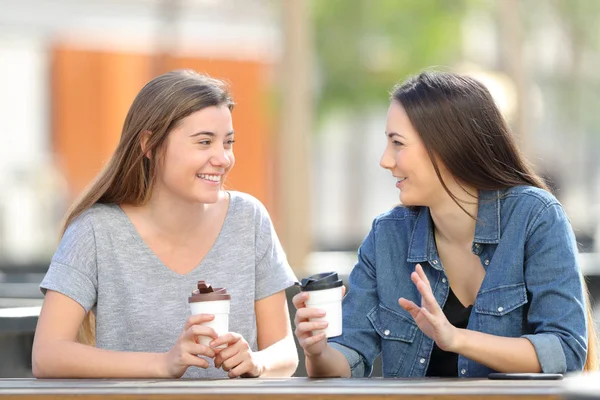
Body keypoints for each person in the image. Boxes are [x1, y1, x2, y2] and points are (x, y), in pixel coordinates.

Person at [293, 71, 598, 378]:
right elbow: (346, 359)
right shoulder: (388, 236)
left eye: (397, 143)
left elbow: (566, 349)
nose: (386, 160)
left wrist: (456, 338)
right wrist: (317, 351)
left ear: (447, 145)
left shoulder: (534, 217)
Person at [32, 70, 299, 379]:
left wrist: (257, 362)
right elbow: (48, 354)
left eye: (227, 142)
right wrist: (163, 364)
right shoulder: (95, 231)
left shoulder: (249, 219)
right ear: (149, 144)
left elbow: (284, 352)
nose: (223, 158)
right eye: (204, 142)